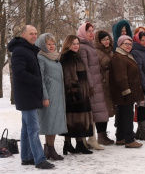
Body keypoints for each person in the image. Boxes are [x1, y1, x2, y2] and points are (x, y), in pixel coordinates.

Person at [7, 25, 55, 169]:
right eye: (31, 34)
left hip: (30, 94)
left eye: (35, 33)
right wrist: (37, 81)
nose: (34, 36)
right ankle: (39, 159)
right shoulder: (20, 51)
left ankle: (26, 157)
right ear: (23, 35)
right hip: (26, 95)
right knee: (33, 128)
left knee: (26, 128)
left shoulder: (29, 50)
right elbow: (19, 73)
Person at [77, 22, 109, 150]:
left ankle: (91, 139)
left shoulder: (90, 47)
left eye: (92, 30)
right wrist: (90, 86)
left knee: (93, 114)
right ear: (83, 33)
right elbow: (85, 69)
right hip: (91, 86)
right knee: (89, 114)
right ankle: (89, 139)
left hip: (96, 84)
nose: (92, 33)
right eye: (88, 31)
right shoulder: (83, 48)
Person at [36, 33, 67, 160]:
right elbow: (40, 78)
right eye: (49, 44)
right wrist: (45, 96)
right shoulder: (41, 57)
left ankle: (49, 148)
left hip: (58, 94)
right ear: (43, 45)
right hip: (49, 95)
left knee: (54, 122)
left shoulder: (55, 58)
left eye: (53, 43)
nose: (52, 46)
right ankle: (49, 148)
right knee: (49, 122)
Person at [60, 35, 93, 155]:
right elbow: (69, 79)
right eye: (73, 43)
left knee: (76, 120)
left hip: (82, 93)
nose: (76, 46)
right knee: (73, 120)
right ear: (68, 44)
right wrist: (74, 96)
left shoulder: (76, 57)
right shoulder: (67, 58)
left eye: (77, 43)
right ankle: (72, 144)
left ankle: (74, 144)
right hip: (74, 94)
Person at [109, 35, 144, 148]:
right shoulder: (119, 57)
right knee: (128, 116)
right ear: (120, 45)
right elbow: (121, 77)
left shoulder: (125, 55)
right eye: (126, 44)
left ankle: (121, 138)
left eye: (130, 44)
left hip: (126, 92)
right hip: (124, 93)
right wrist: (126, 91)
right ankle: (129, 139)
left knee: (122, 115)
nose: (129, 46)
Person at [94, 30, 116, 145]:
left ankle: (104, 134)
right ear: (99, 41)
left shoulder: (110, 51)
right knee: (101, 111)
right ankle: (100, 135)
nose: (106, 41)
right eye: (103, 39)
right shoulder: (96, 52)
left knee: (107, 110)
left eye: (107, 39)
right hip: (101, 84)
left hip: (109, 84)